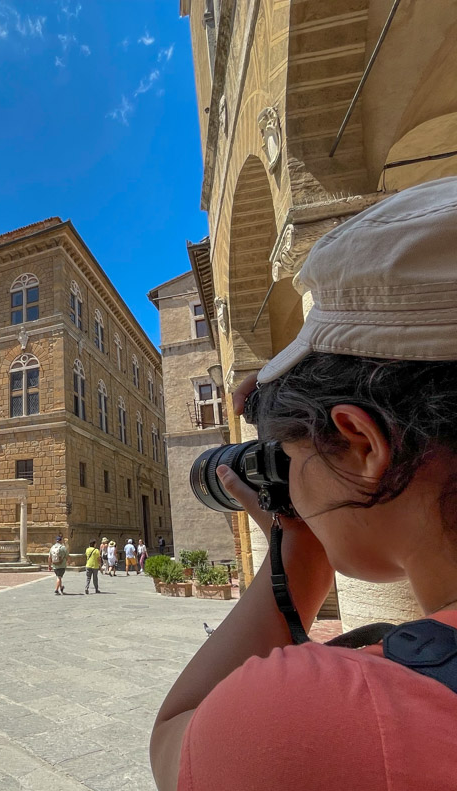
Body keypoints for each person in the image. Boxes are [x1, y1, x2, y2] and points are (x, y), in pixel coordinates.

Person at [150, 178, 457, 790]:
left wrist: (295, 561)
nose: (289, 475)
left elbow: (175, 739)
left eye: (291, 453)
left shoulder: (317, 716)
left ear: (363, 443)